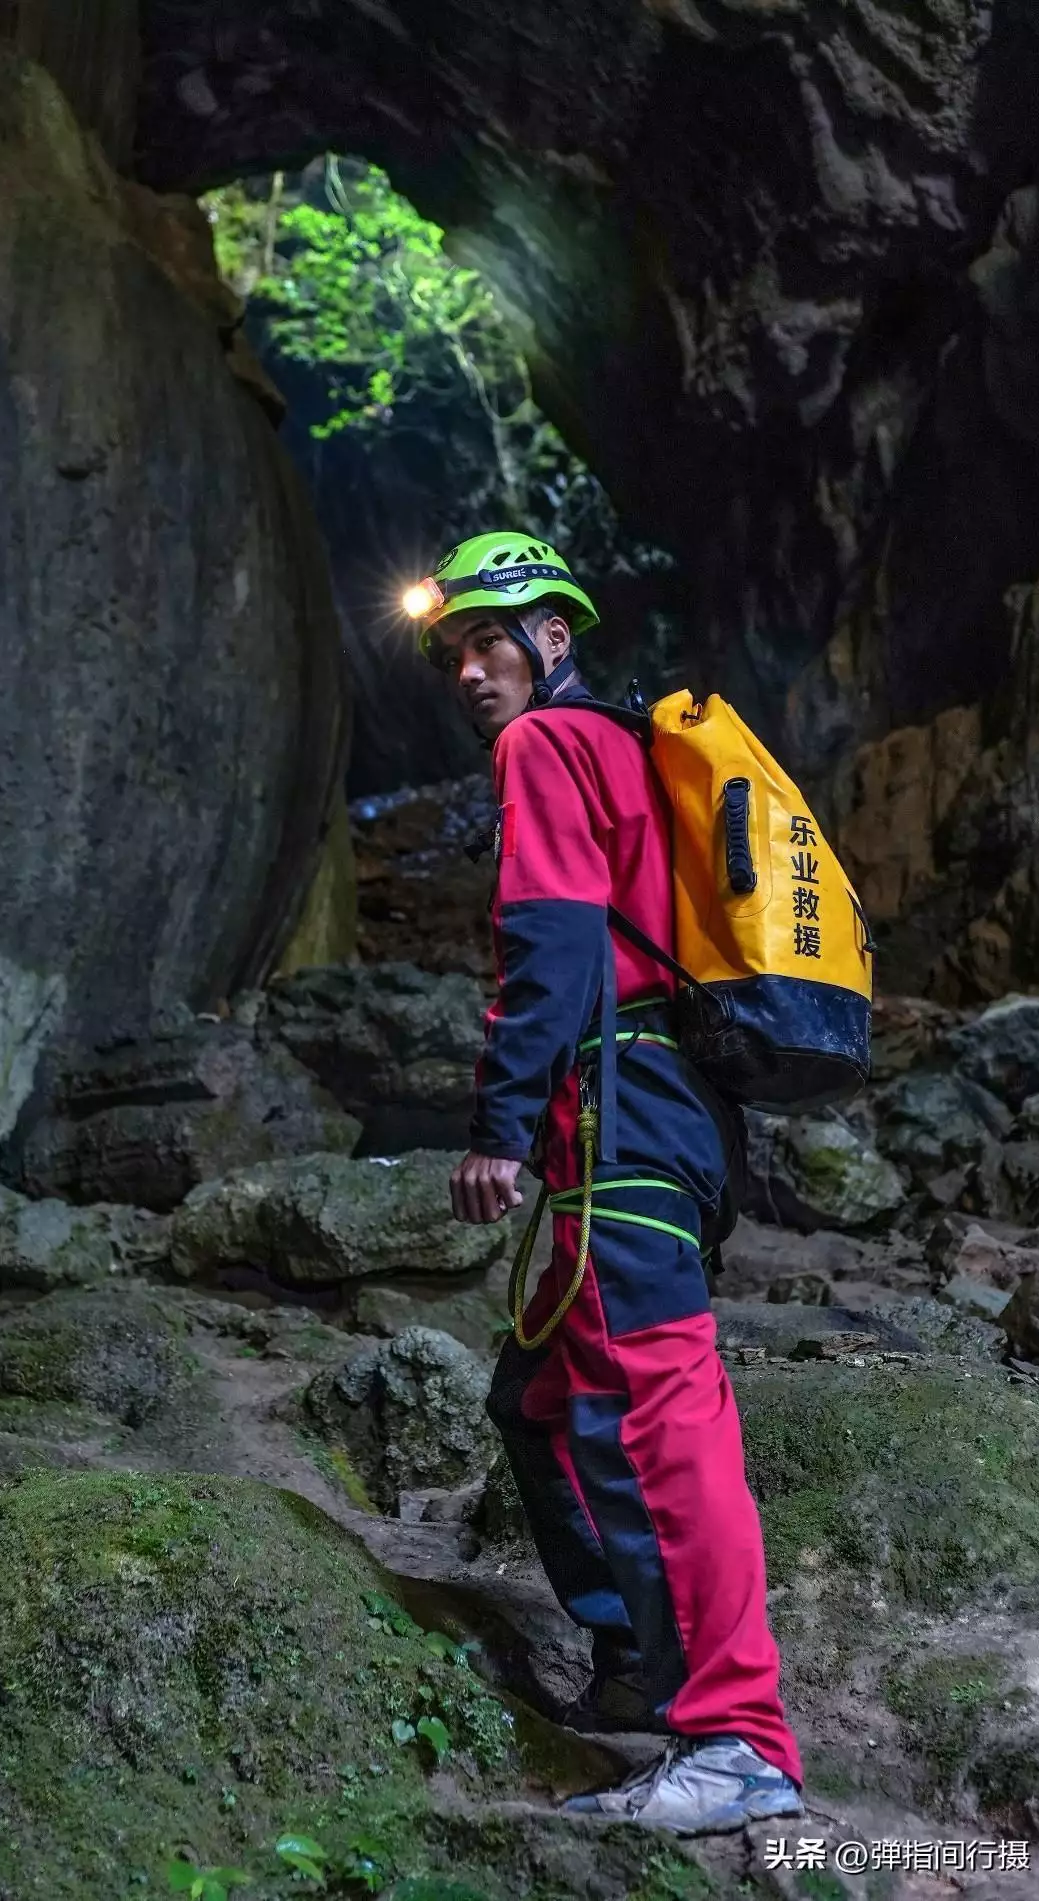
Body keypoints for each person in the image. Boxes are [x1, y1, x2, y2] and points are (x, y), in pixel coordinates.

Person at [407, 531, 805, 1837]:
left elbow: (557, 939)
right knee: (545, 1397)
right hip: (654, 1121)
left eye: (489, 639)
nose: (470, 670)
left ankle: (738, 1735)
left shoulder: (550, 746)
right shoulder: (619, 753)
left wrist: (499, 1130)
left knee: (657, 1413)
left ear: (556, 639)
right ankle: (641, 1661)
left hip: (626, 1114)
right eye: (453, 652)